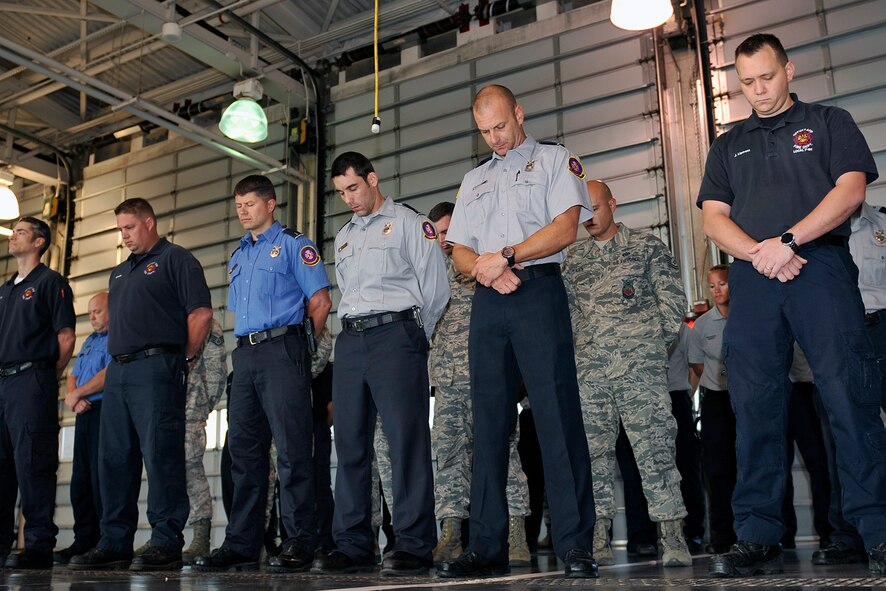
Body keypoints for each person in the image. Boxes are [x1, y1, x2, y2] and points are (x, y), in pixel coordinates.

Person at [696, 33, 886, 577]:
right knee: (754, 406)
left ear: (790, 69)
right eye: (747, 82)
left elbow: (850, 191)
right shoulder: (728, 144)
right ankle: (757, 534)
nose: (758, 91)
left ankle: (872, 530)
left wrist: (791, 242)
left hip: (818, 267)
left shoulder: (831, 122)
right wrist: (762, 253)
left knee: (849, 398)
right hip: (754, 275)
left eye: (767, 78)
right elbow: (713, 218)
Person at [439, 84, 598, 579]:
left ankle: (574, 543)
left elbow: (565, 228)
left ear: (519, 113)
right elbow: (460, 248)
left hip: (538, 293)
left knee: (555, 416)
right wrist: (486, 270)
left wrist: (507, 256)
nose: (495, 138)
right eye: (486, 131)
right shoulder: (474, 180)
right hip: (489, 301)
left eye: (501, 126)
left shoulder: (555, 161)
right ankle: (485, 546)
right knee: (487, 424)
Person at [311, 151, 449, 577]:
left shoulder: (409, 222)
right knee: (350, 443)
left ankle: (413, 543)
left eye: (353, 188)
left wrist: (412, 336)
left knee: (406, 441)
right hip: (351, 342)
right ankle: (353, 543)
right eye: (340, 193)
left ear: (372, 179)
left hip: (397, 336)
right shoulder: (345, 236)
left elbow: (436, 288)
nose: (348, 199)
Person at [194, 174, 331, 573]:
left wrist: (301, 352)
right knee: (244, 453)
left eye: (250, 204)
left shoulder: (293, 244)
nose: (243, 211)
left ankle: (299, 541)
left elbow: (320, 302)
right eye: (238, 206)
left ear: (270, 205)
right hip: (247, 354)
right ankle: (242, 543)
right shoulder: (239, 254)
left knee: (291, 452)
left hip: (282, 349)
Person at [69, 198, 213, 572]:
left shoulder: (176, 259)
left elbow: (200, 313)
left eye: (129, 227)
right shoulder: (118, 273)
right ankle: (115, 541)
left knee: (161, 455)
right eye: (120, 229)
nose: (125, 235)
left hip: (157, 366)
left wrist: (183, 359)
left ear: (149, 222)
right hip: (119, 372)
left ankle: (166, 541)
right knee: (114, 458)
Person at [562, 180, 691, 567]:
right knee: (593, 457)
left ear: (613, 205)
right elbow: (565, 317)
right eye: (582, 211)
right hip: (591, 376)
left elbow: (673, 305)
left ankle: (672, 537)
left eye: (595, 208)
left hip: (640, 372)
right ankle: (598, 541)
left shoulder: (646, 247)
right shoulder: (572, 259)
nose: (589, 217)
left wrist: (649, 351)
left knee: (655, 450)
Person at [426, 201, 531, 567]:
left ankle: (515, 533)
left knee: (504, 452)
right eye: (437, 232)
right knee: (450, 454)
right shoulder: (432, 271)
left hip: (490, 376)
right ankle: (451, 533)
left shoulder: (487, 262)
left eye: (448, 230)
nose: (443, 239)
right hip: (448, 381)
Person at [812, 201, 886, 566]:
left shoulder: (882, 223)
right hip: (837, 337)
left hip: (882, 329)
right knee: (841, 439)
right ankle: (847, 534)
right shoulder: (812, 229)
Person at [0, 217, 76, 569]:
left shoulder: (50, 283)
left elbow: (66, 338)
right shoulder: (5, 289)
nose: (12, 236)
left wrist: (47, 378)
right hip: (3, 383)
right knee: (1, 467)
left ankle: (38, 545)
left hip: (32, 381)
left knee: (32, 463)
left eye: (20, 232)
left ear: (39, 242)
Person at [55, 292, 112, 565]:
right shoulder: (89, 341)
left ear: (112, 311)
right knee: (80, 480)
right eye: (90, 312)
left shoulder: (117, 338)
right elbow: (74, 375)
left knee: (100, 477)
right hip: (83, 414)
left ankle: (104, 540)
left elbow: (107, 375)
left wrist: (78, 395)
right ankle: (83, 540)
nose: (92, 317)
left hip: (103, 412)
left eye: (97, 311)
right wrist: (74, 396)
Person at [689, 264, 736, 554]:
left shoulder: (747, 317)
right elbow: (697, 364)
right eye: (712, 285)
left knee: (750, 464)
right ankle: (722, 536)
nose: (717, 290)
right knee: (717, 471)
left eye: (723, 284)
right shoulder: (702, 325)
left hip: (743, 399)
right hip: (715, 400)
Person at [180, 318, 227, 564]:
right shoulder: (164, 316)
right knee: (162, 470)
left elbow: (216, 369)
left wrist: (203, 404)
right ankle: (164, 534)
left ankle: (201, 536)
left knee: (190, 469)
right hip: (164, 406)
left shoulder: (206, 322)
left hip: (191, 407)